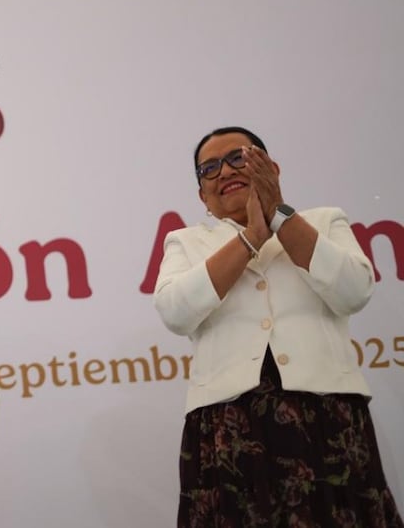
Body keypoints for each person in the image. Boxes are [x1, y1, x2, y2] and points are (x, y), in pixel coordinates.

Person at [154, 126, 403, 526]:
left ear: (270, 167)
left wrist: (279, 218)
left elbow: (354, 291)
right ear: (202, 196)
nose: (224, 171)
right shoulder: (185, 242)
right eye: (209, 168)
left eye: (238, 157)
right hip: (228, 423)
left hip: (325, 414)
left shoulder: (323, 221)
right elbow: (174, 311)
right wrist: (252, 237)